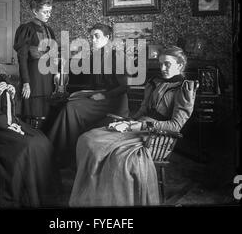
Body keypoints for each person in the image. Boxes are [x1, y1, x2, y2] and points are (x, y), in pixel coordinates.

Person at [69, 46, 197, 206]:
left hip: (159, 136)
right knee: (88, 139)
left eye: (167, 64)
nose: (162, 68)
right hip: (136, 127)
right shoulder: (154, 82)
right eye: (161, 64)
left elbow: (175, 125)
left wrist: (139, 125)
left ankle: (116, 200)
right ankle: (96, 195)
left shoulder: (184, 88)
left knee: (119, 157)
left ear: (179, 65)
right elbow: (142, 110)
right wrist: (127, 121)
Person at [0, 48, 61, 208]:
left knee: (42, 141)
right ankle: (28, 198)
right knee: (28, 146)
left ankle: (43, 194)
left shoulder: (1, 78)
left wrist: (12, 96)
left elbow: (8, 109)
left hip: (10, 124)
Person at [46, 23, 129, 167]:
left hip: (113, 101)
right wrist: (82, 93)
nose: (93, 40)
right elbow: (95, 85)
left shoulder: (117, 56)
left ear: (108, 37)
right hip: (99, 95)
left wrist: (104, 96)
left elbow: (124, 86)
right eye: (91, 37)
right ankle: (55, 151)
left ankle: (61, 154)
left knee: (72, 108)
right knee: (68, 101)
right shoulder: (95, 55)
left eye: (97, 37)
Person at [13, 0, 55, 128]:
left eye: (50, 11)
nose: (48, 15)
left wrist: (56, 73)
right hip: (34, 75)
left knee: (46, 107)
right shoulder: (26, 29)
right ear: (35, 11)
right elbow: (22, 57)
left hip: (47, 75)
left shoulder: (49, 30)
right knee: (33, 108)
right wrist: (26, 83)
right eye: (45, 12)